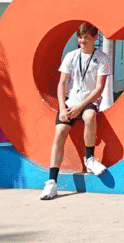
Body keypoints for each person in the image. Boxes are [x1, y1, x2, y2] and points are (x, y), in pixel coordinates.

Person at [40, 23, 111, 200]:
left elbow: (99, 88)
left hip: (89, 100)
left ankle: (90, 159)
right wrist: (62, 108)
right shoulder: (71, 56)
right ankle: (51, 182)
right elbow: (62, 83)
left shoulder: (102, 58)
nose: (82, 40)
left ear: (95, 38)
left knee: (90, 116)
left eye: (86, 37)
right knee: (60, 132)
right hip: (71, 101)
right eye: (80, 37)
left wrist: (81, 106)